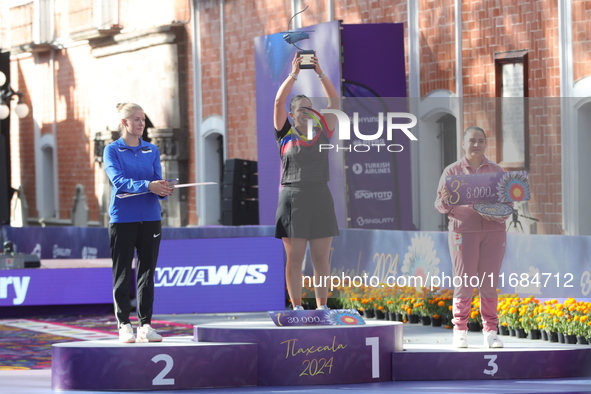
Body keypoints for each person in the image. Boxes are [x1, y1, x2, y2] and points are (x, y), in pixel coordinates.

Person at [103, 103, 174, 343]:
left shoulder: (152, 150)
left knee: (147, 274)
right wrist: (148, 186)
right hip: (123, 219)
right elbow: (119, 182)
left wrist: (163, 189)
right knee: (122, 273)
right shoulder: (112, 150)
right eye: (135, 119)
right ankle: (124, 324)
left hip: (151, 219)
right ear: (124, 123)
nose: (141, 124)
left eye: (142, 119)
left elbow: (157, 181)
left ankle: (145, 325)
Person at [273, 53, 339, 311]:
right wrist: (294, 74)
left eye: (310, 108)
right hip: (293, 198)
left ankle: (322, 307)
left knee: (321, 258)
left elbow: (334, 101)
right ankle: (297, 307)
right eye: (301, 109)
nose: (306, 113)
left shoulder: (324, 131)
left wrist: (320, 72)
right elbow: (278, 101)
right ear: (291, 114)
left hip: (320, 196)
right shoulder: (284, 133)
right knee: (295, 259)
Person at [434, 126, 510, 348]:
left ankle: (491, 332)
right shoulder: (452, 171)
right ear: (463, 144)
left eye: (481, 141)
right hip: (463, 233)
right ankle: (460, 330)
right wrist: (447, 200)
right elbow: (439, 205)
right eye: (472, 141)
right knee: (464, 282)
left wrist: (503, 206)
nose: (476, 145)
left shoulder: (497, 171)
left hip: (494, 233)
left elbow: (508, 203)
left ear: (486, 144)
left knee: (489, 284)